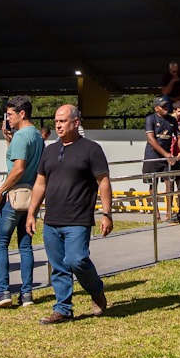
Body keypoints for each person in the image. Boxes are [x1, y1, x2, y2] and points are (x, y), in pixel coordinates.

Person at [27, 104, 113, 324]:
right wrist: (31, 213)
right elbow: (40, 183)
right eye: (56, 121)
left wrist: (107, 214)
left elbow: (103, 182)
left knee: (76, 260)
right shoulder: (50, 150)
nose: (58, 125)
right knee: (58, 267)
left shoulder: (92, 149)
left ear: (76, 122)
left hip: (78, 219)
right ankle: (63, 309)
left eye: (63, 121)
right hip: (52, 220)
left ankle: (96, 290)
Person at [0, 96, 42, 308]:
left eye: (9, 114)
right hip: (30, 196)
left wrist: (1, 190)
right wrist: (8, 139)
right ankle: (27, 293)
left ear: (22, 113)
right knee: (25, 246)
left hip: (14, 198)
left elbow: (18, 168)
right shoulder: (36, 135)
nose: (7, 118)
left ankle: (3, 291)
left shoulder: (21, 137)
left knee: (1, 243)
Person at [143, 96, 180, 220]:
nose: (166, 108)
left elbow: (179, 137)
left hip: (167, 157)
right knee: (153, 184)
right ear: (156, 108)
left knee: (169, 182)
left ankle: (169, 212)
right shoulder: (150, 119)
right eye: (163, 106)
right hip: (152, 156)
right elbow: (151, 139)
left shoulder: (172, 120)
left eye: (167, 106)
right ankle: (156, 211)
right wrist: (165, 154)